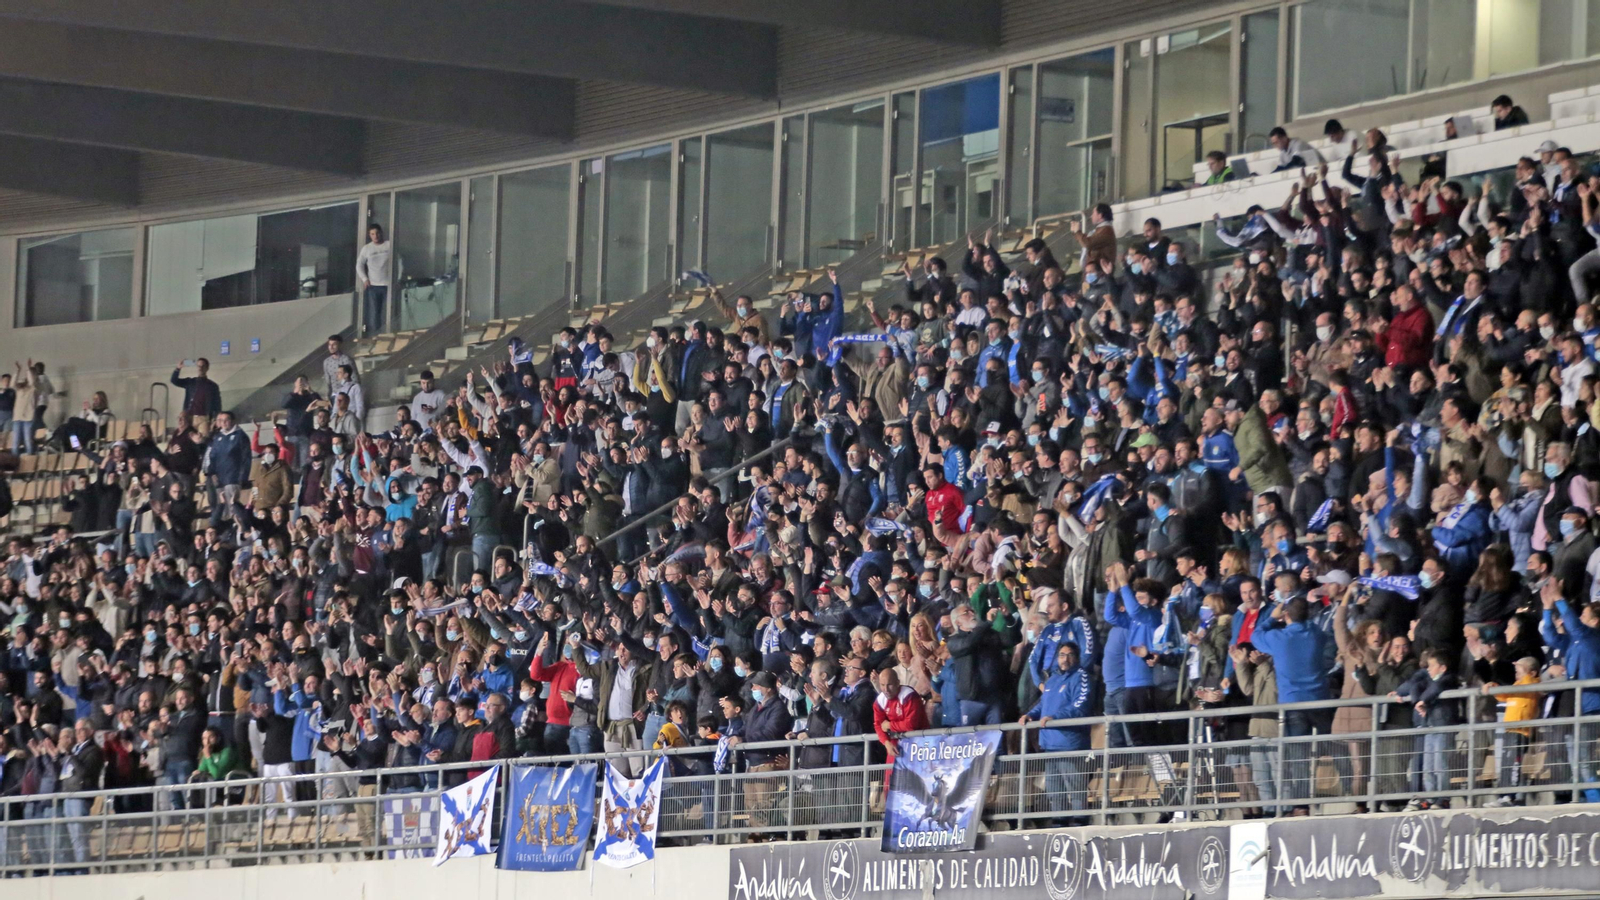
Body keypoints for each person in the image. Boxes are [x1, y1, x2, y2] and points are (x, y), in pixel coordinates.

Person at [357, 224, 393, 335]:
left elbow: (399, 261)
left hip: (388, 285)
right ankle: (376, 336)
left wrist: (398, 278)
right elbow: (359, 265)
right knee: (374, 313)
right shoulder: (367, 248)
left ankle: (389, 333)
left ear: (381, 233)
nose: (375, 236)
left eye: (377, 233)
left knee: (389, 311)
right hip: (373, 286)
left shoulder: (389, 245)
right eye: (372, 234)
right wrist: (365, 279)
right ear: (370, 235)